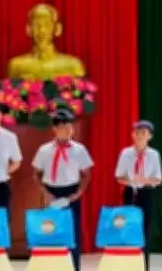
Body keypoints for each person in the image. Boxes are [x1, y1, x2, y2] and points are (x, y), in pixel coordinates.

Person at [32, 109, 94, 271]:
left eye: (70, 127)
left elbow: (87, 175)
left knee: (73, 233)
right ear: (54, 129)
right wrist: (45, 193)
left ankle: (73, 267)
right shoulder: (44, 150)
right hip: (50, 193)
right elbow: (36, 174)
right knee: (50, 230)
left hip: (71, 193)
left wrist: (78, 193)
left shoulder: (79, 149)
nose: (68, 130)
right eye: (63, 127)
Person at [114, 119, 162, 270]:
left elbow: (158, 180)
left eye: (143, 132)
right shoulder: (126, 153)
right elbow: (118, 177)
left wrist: (144, 180)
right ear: (132, 135)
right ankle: (129, 264)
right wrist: (130, 181)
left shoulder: (154, 155)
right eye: (137, 132)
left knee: (146, 230)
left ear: (150, 136)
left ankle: (144, 265)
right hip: (130, 192)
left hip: (147, 193)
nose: (140, 135)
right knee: (129, 227)